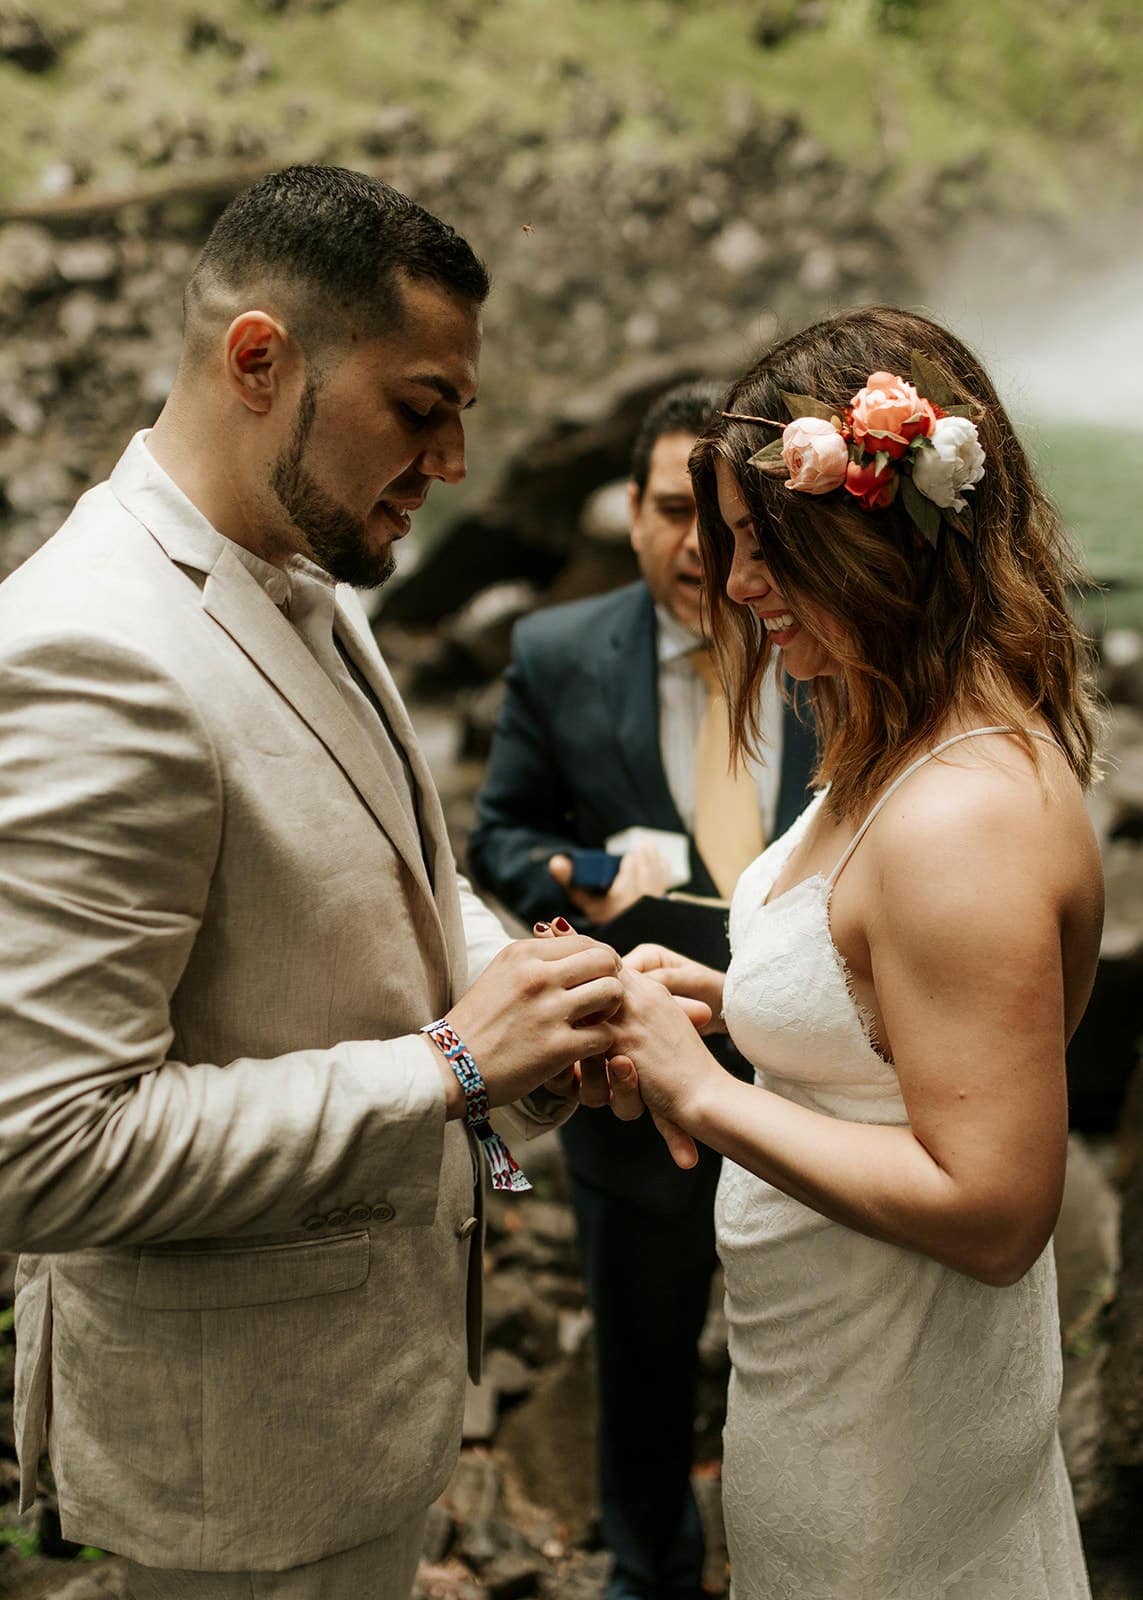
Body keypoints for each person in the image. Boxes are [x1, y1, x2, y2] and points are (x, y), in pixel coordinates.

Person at [0, 165, 637, 1600]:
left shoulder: (307, 575)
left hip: (352, 1405)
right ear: (258, 360)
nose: (457, 463)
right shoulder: (90, 656)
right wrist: (455, 1066)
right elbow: (39, 1150)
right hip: (237, 1480)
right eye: (421, 408)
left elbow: (398, 878)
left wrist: (547, 999)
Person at [604, 306, 1102, 1598]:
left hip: (897, 1442)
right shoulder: (900, 742)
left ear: (871, 524)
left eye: (764, 545)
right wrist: (730, 1002)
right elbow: (887, 1015)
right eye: (726, 544)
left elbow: (994, 1210)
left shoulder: (962, 817)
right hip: (828, 1398)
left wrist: (702, 1092)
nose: (732, 582)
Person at [468, 382, 817, 1600]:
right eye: (673, 511)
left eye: (720, 522)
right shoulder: (560, 654)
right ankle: (648, 1570)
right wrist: (583, 874)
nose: (697, 550)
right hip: (627, 1081)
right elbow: (498, 834)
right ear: (629, 511)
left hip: (809, 1077)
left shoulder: (823, 637)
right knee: (644, 1350)